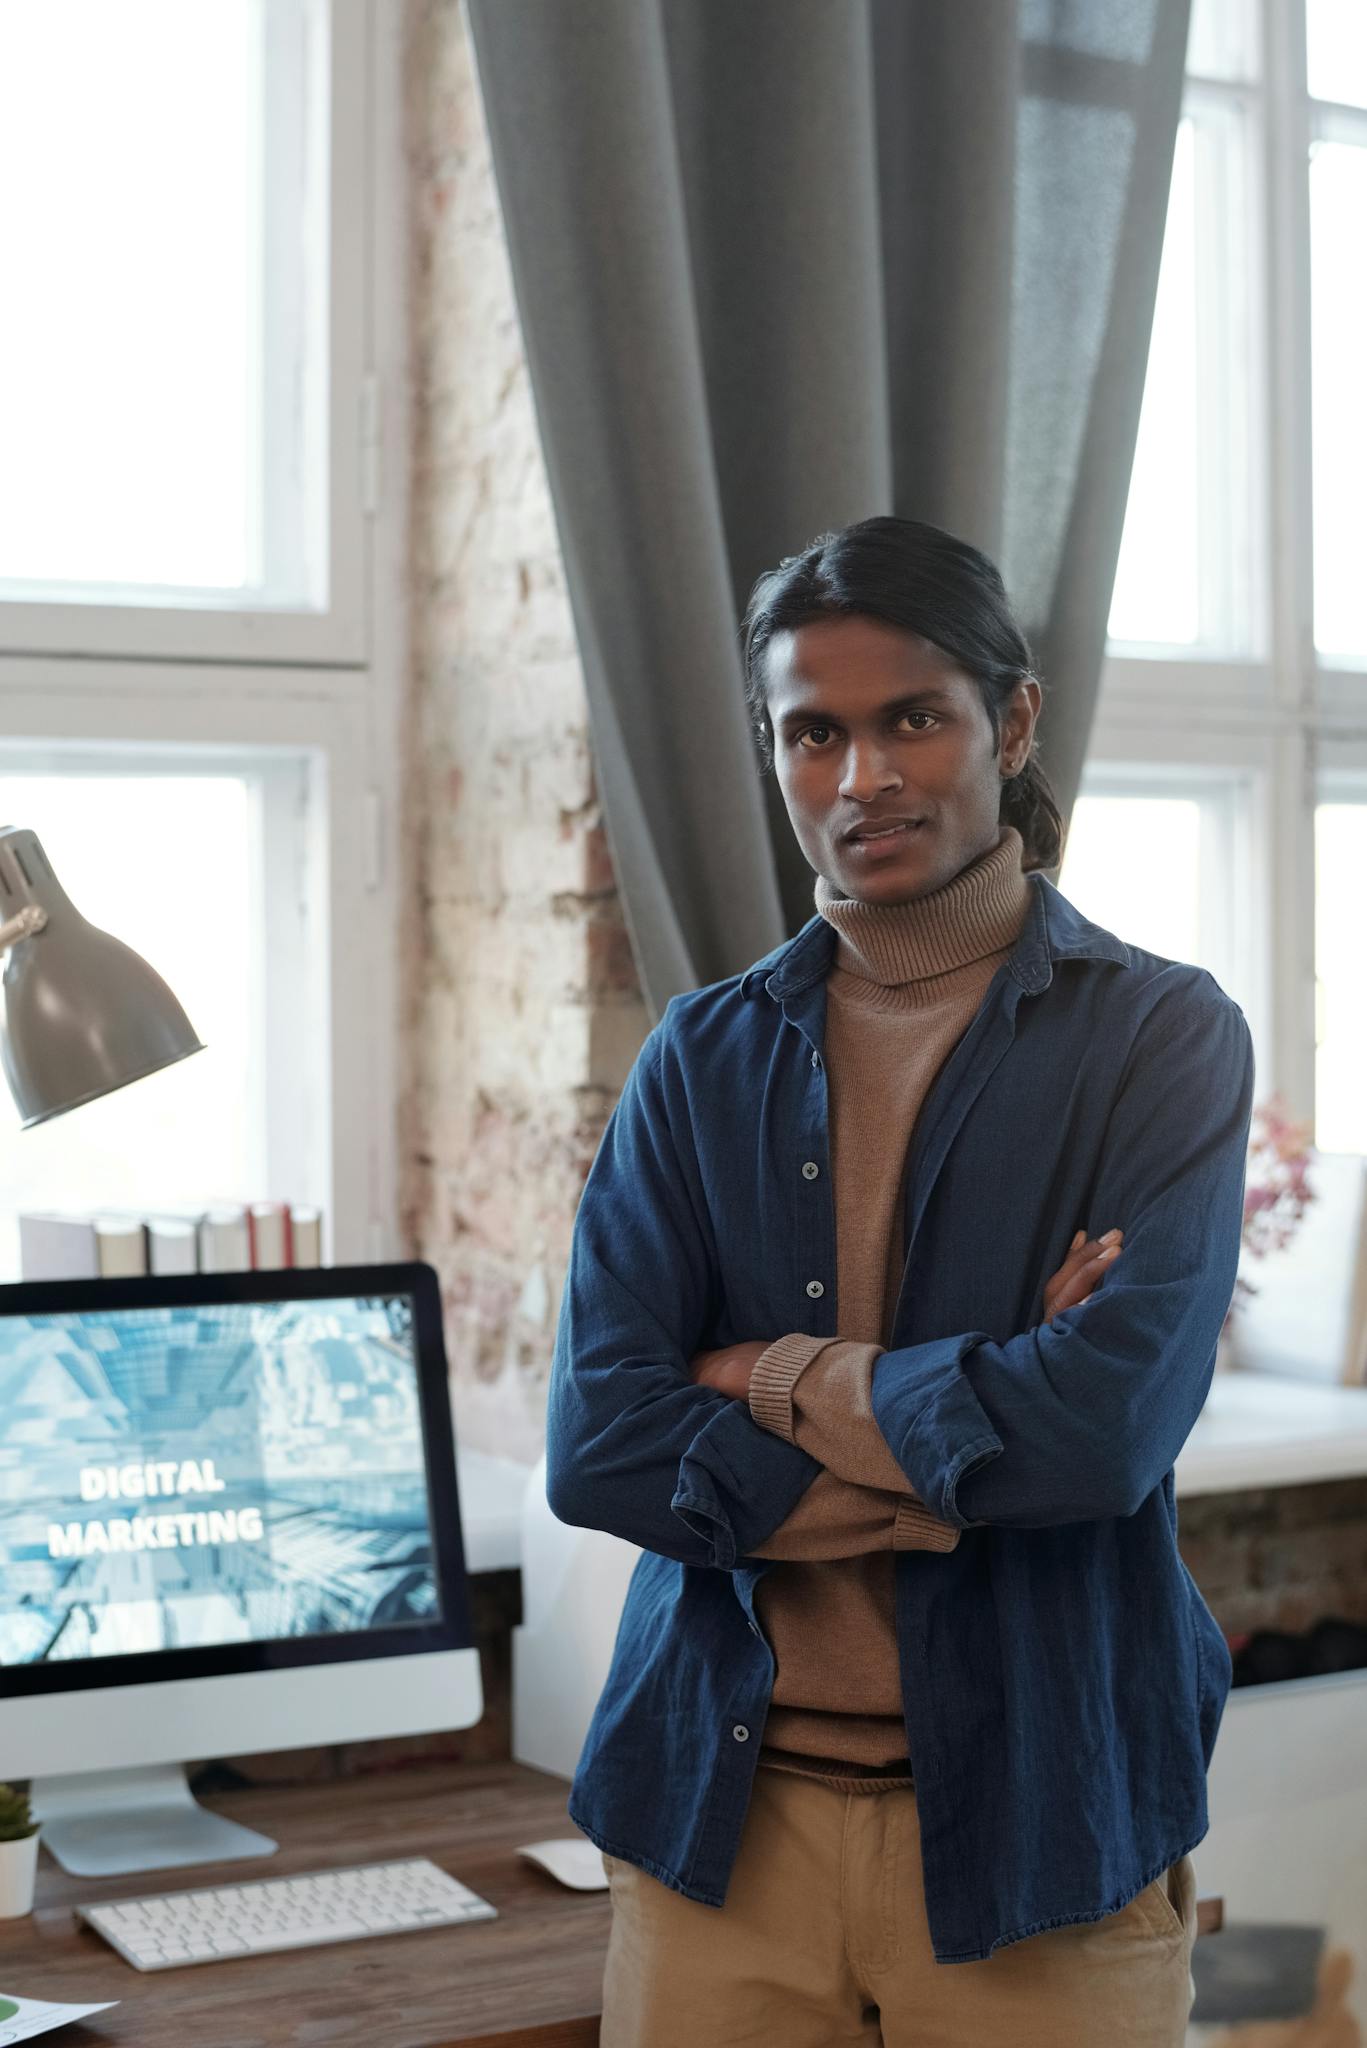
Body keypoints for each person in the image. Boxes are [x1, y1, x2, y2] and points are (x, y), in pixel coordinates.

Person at [547, 515, 1253, 2046]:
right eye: (815, 733)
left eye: (910, 719)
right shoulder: (699, 1059)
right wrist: (971, 1439)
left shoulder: (1162, 1040)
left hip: (1047, 1825)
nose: (862, 776)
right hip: (717, 1830)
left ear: (1010, 721)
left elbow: (1100, 1439)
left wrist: (771, 1376)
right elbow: (601, 1447)